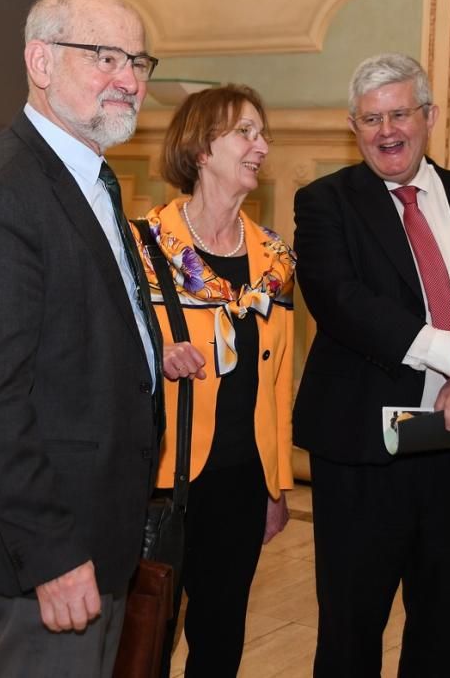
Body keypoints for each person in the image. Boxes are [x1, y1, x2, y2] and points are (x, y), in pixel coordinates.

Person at [0, 0, 166, 677]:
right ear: (40, 60)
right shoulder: (5, 193)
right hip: (46, 545)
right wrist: (53, 555)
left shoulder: (88, 174)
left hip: (94, 523)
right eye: (103, 56)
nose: (127, 79)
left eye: (137, 61)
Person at [294, 52, 450, 677]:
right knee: (350, 631)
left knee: (449, 631)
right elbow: (342, 301)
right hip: (366, 456)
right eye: (369, 119)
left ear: (429, 116)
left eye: (398, 114)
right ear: (353, 127)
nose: (386, 131)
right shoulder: (325, 204)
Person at [132, 84, 295, 677]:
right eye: (245, 133)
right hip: (160, 478)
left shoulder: (274, 259)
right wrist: (156, 357)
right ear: (202, 148)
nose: (262, 146)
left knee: (220, 638)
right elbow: (101, 357)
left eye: (262, 134)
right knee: (145, 637)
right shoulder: (144, 248)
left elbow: (277, 382)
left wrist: (276, 485)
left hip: (241, 483)